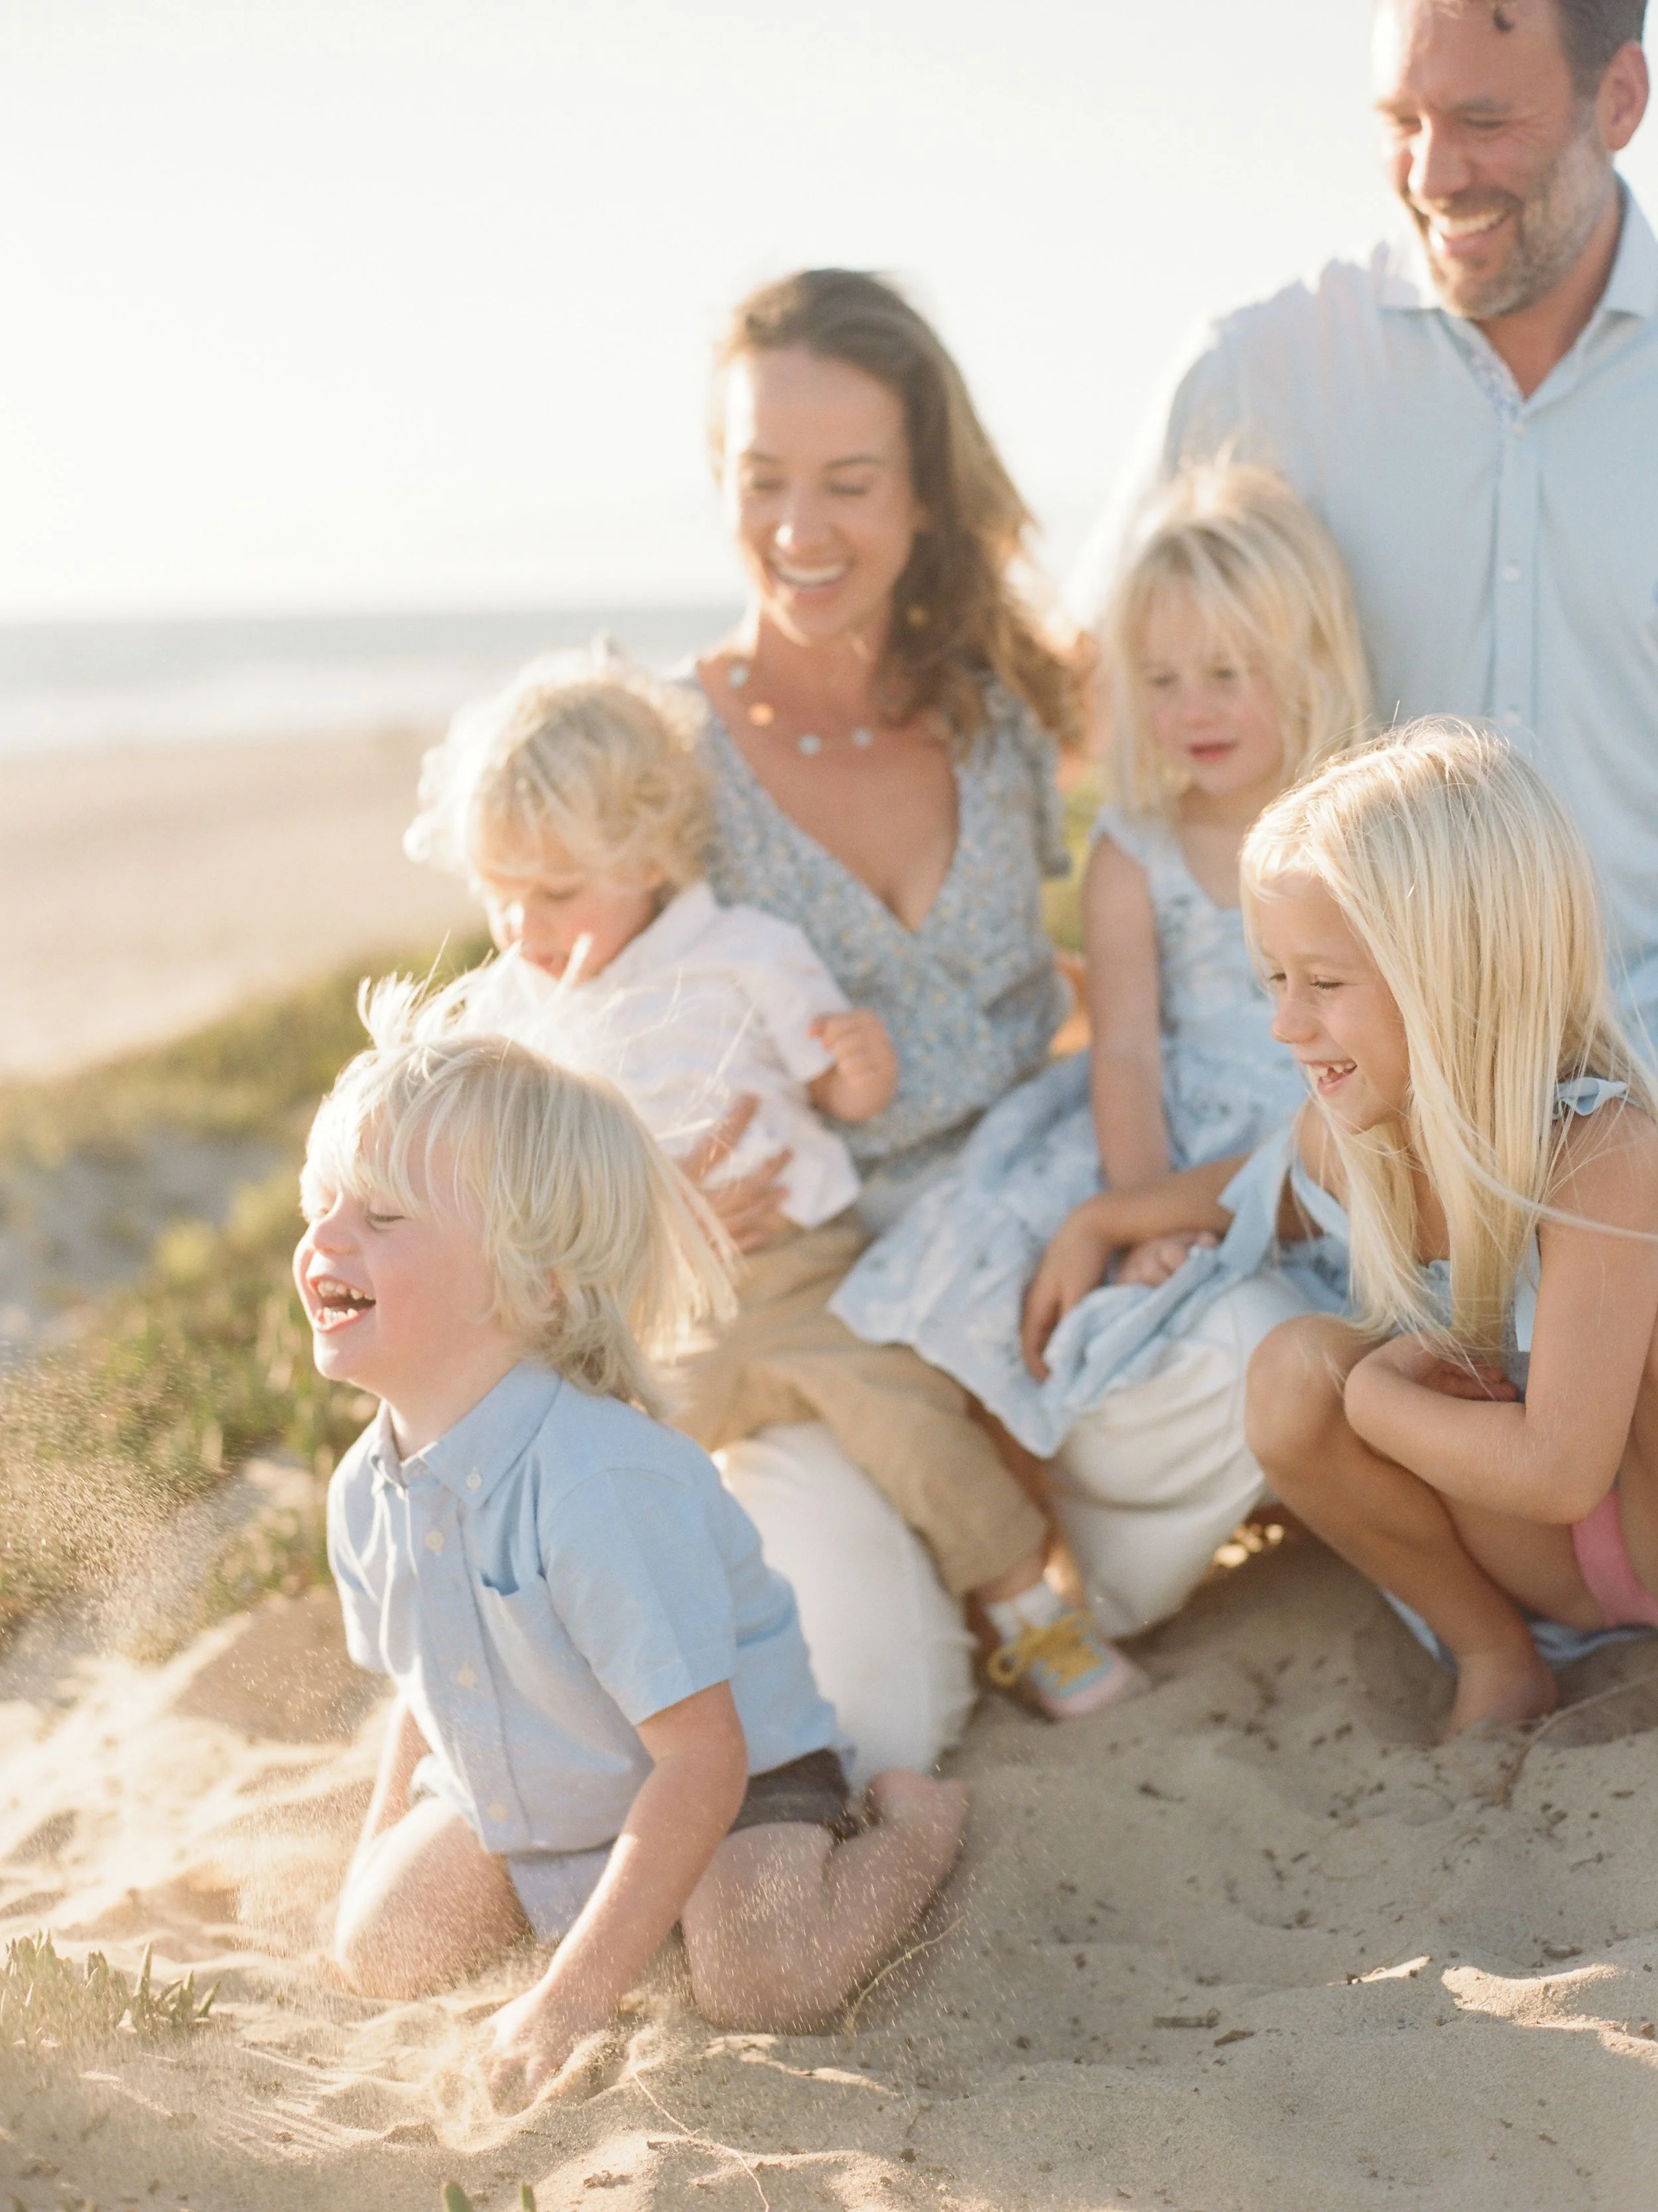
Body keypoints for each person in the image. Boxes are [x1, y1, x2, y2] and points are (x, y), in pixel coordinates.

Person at [404, 645, 1139, 1739]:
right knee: (604, 1480)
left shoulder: (743, 950)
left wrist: (862, 1066)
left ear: (651, 854)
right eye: (504, 900)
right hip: (649, 1320)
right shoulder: (509, 1010)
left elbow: (837, 1091)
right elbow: (494, 1179)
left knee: (916, 1422)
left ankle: (1029, 1609)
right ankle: (566, 1683)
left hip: (801, 1281)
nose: (528, 930)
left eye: (557, 894)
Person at [307, 984, 967, 2105]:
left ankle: (915, 1827)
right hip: (533, 1787)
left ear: (533, 1282)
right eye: (322, 1205)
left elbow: (700, 1760)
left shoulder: (597, 1481)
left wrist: (563, 2005)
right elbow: (425, 1691)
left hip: (731, 1778)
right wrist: (378, 1851)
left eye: (383, 1217)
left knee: (765, 1977)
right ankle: (599, 1905)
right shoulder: (367, 1491)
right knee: (378, 1950)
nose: (325, 1240)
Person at [680, 267, 1113, 1763]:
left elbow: (1046, 995)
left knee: (1197, 1461)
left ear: (927, 493)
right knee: (883, 1715)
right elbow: (554, 1020)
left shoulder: (997, 713)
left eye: (849, 482)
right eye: (762, 480)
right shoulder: (662, 758)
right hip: (817, 1325)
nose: (800, 530)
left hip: (1036, 1279)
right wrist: (641, 1183)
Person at [834, 464, 1370, 1637]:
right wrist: (1142, 1208)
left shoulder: (1361, 837)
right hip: (1167, 1137)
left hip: (1324, 1144)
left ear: (1314, 662)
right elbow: (1123, 1050)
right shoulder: (1136, 850)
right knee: (1059, 1302)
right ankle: (1041, 1519)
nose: (1196, 709)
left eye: (1230, 673)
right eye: (1165, 680)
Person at [1073, 0, 1658, 1033]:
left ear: (1618, 99)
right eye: (1402, 122)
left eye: (1484, 122)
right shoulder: (1258, 370)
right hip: (1343, 1096)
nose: (1432, 177)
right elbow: (1086, 699)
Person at [1240, 723, 1658, 1737]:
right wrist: (1110, 1224)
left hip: (1633, 1515)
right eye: (1274, 979)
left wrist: (1381, 1403)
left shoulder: (1600, 1149)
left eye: (1324, 985)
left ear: (1455, 975)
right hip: (1547, 1571)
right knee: (1292, 1373)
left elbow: (1562, 1470)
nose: (1285, 1024)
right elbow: (1246, 1194)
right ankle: (1494, 1654)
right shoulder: (1364, 1133)